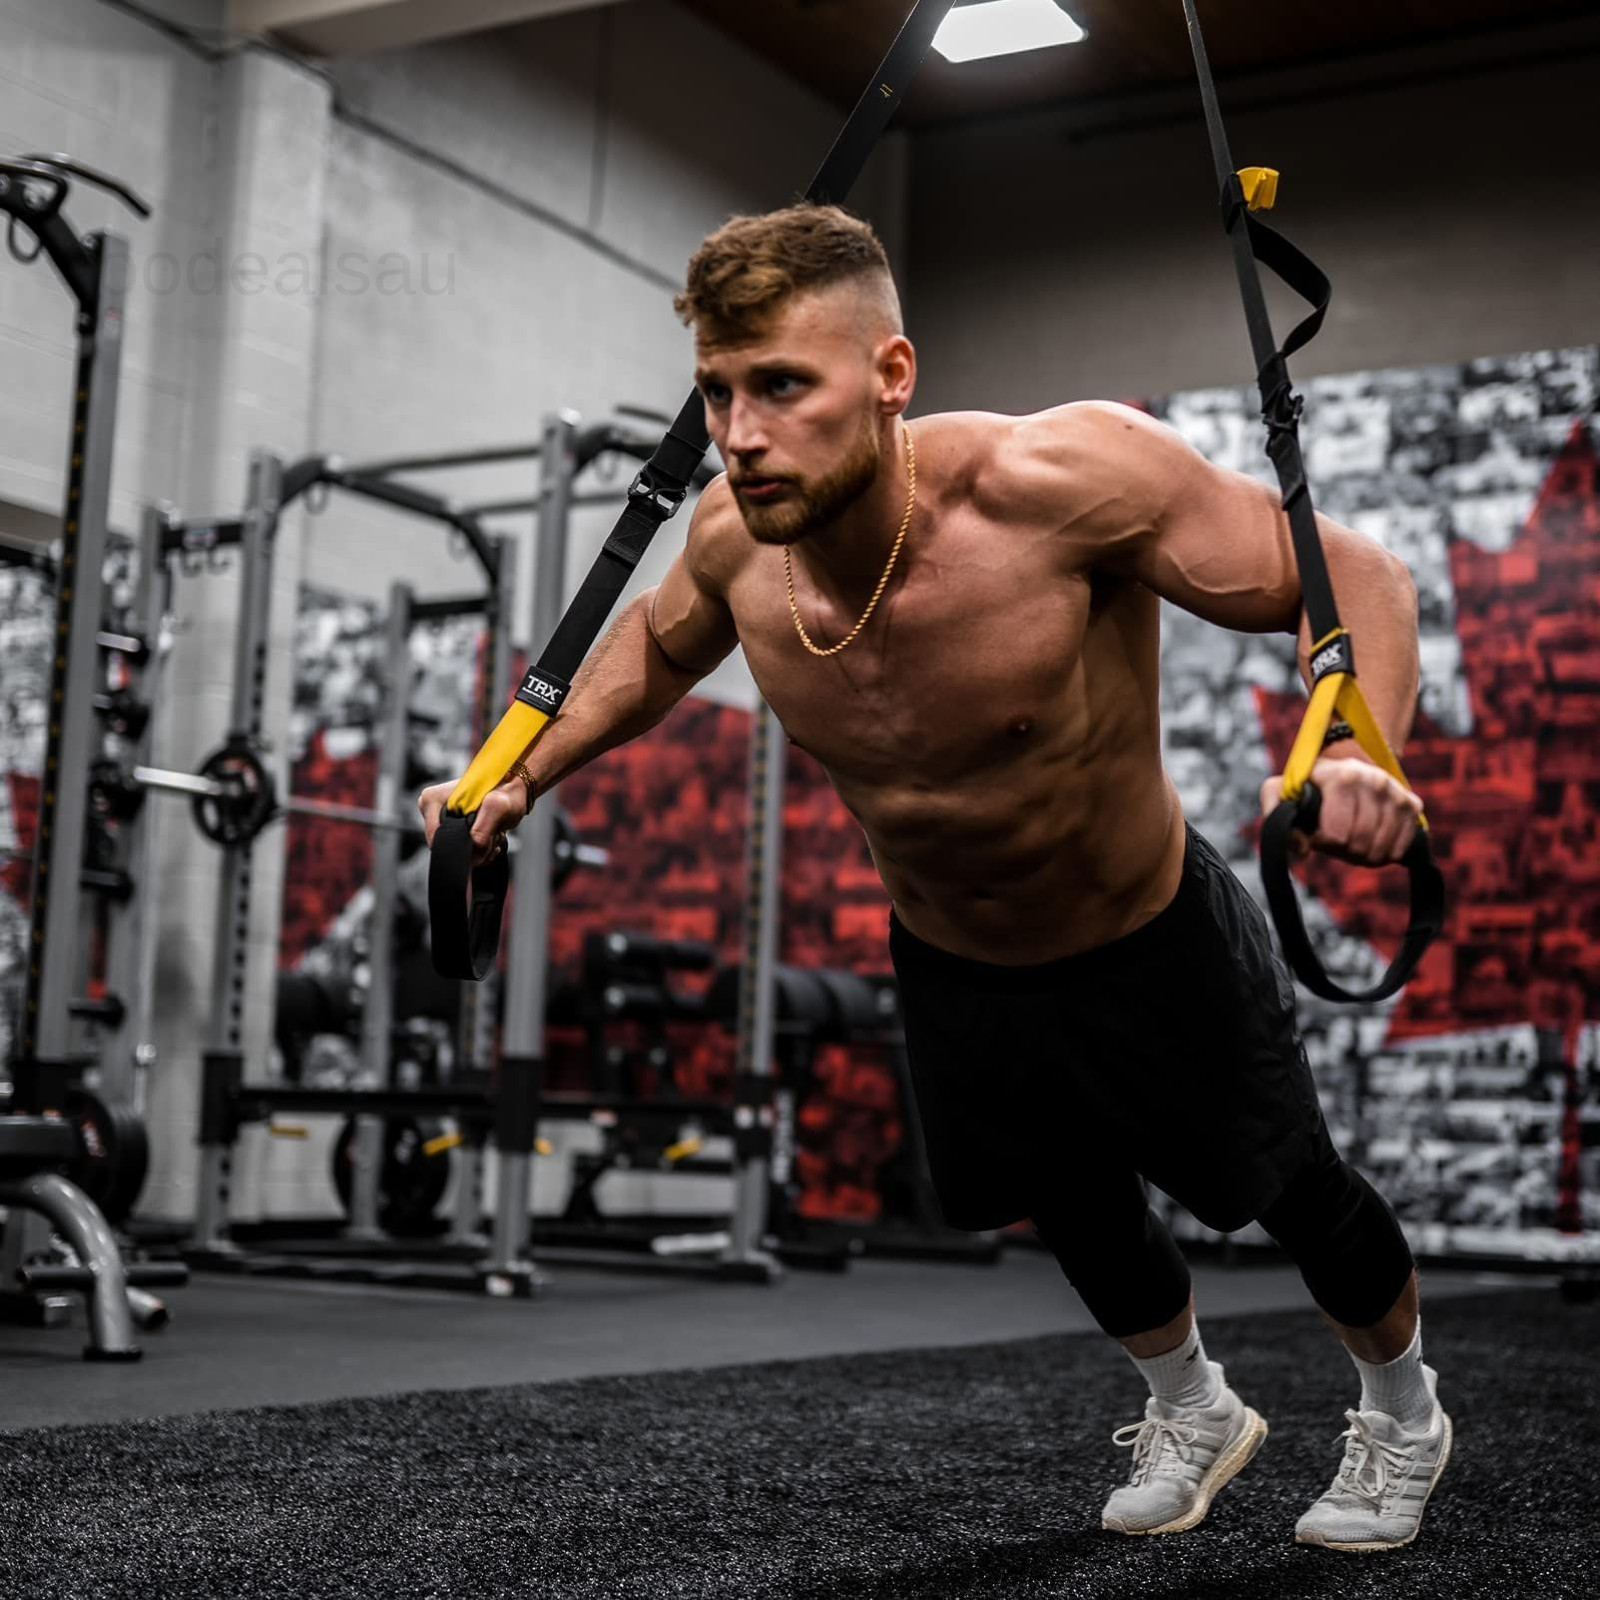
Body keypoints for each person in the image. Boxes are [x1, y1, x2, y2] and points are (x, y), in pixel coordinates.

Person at [419, 204, 1450, 1551]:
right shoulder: (734, 544)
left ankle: (1405, 1415)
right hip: (957, 956)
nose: (740, 434)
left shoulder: (1061, 483)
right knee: (1072, 1203)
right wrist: (514, 771)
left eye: (783, 386)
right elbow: (659, 646)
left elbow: (1353, 575)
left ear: (890, 375)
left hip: (1146, 931)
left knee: (1293, 1190)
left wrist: (1357, 749)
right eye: (719, 393)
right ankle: (1192, 1406)